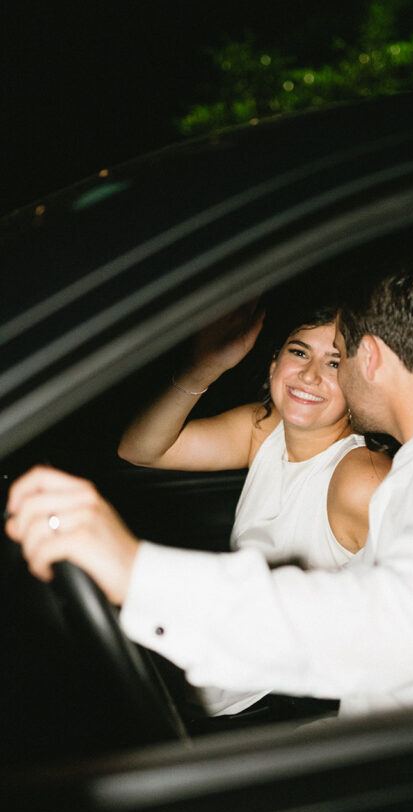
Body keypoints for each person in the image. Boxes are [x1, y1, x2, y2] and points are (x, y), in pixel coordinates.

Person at [6, 245, 413, 719]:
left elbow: (402, 627)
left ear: (368, 359)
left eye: (338, 357)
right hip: (402, 767)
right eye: (301, 353)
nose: (322, 375)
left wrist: (138, 571)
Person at [117, 299, 392, 717]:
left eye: (334, 363)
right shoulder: (264, 431)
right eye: (299, 352)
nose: (310, 374)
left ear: (360, 384)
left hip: (273, 710)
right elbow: (140, 449)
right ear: (273, 364)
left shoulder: (360, 479)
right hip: (215, 678)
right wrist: (205, 366)